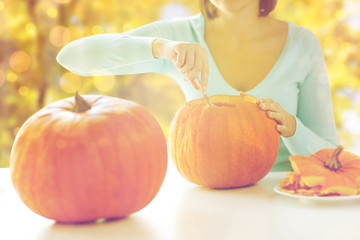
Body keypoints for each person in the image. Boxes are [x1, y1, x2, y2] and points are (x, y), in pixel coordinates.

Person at [56, 0, 338, 171]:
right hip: (207, 199)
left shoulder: (302, 44)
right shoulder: (180, 36)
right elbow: (70, 57)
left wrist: (292, 127)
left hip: (286, 194)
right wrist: (161, 47)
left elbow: (332, 157)